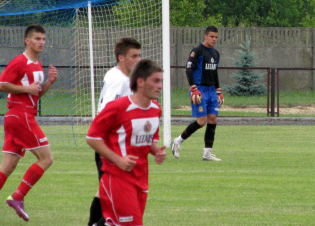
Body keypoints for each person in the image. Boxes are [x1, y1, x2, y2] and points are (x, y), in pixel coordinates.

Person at [0, 24, 58, 223]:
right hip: (21, 116)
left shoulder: (37, 64)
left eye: (43, 39)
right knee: (46, 159)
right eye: (37, 39)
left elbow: (34, 94)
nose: (41, 42)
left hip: (17, 117)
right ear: (26, 40)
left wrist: (49, 83)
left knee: (8, 166)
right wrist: (25, 88)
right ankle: (18, 197)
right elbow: (0, 85)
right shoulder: (20, 61)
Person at [86, 59, 166, 226]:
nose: (160, 86)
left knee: (115, 223)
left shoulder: (155, 109)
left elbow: (148, 140)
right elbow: (92, 137)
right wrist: (118, 160)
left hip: (141, 178)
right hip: (117, 178)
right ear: (141, 82)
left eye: (161, 81)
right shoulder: (118, 107)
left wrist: (156, 151)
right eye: (156, 81)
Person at [87, 37, 142, 226]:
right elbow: (107, 113)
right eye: (133, 56)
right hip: (110, 145)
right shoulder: (119, 81)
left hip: (112, 143)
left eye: (139, 56)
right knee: (120, 202)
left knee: (103, 191)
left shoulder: (117, 75)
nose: (137, 60)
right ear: (121, 57)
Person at [171, 25, 224, 161]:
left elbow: (214, 72)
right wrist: (193, 88)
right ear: (205, 36)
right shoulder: (198, 51)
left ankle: (207, 153)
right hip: (200, 90)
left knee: (213, 119)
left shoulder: (215, 53)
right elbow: (189, 69)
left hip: (211, 90)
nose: (214, 39)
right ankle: (177, 141)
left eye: (216, 37)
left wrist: (218, 90)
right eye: (212, 36)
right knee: (201, 121)